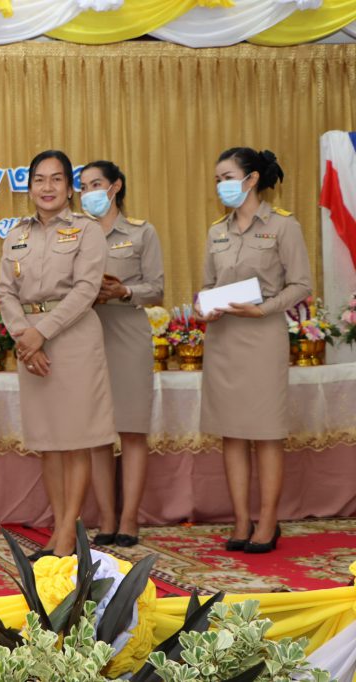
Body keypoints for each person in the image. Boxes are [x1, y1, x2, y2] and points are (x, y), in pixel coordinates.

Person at [0, 150, 116, 559]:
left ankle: (68, 534)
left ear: (69, 188)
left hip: (73, 338)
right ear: (29, 186)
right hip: (30, 342)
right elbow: (4, 291)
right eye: (39, 180)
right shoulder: (16, 233)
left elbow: (86, 290)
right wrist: (23, 336)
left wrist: (40, 333)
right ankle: (57, 531)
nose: (47, 187)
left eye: (56, 179)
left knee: (75, 439)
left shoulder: (87, 230)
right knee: (49, 441)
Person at [197, 147, 311, 554]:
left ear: (252, 179)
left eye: (227, 177)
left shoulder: (283, 226)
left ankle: (267, 521)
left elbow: (301, 284)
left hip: (263, 337)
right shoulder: (217, 231)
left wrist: (262, 308)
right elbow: (207, 285)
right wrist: (204, 306)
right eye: (217, 180)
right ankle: (241, 520)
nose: (221, 185)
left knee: (265, 434)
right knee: (231, 433)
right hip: (223, 339)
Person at [80, 161, 164, 548]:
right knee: (97, 434)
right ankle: (106, 518)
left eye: (95, 184)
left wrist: (124, 291)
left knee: (131, 430)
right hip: (87, 335)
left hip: (128, 334)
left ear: (115, 187)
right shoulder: (75, 233)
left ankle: (130, 518)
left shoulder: (141, 232)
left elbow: (156, 288)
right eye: (83, 186)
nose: (88, 192)